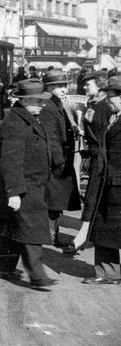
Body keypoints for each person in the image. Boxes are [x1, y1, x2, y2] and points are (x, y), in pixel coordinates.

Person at [0, 79, 57, 289]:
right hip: (23, 187)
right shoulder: (15, 123)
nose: (42, 105)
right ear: (25, 100)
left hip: (33, 184)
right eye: (38, 101)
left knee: (13, 226)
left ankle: (0, 266)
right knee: (31, 232)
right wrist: (14, 193)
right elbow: (11, 161)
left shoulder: (29, 117)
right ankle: (38, 276)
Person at [74, 76, 121, 285]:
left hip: (116, 181)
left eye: (112, 97)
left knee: (109, 227)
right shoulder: (114, 116)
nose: (108, 101)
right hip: (107, 180)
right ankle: (107, 272)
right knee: (103, 227)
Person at [40, 70, 81, 249]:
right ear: (49, 87)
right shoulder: (49, 106)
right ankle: (50, 236)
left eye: (65, 85)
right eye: (60, 86)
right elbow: (51, 137)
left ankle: (52, 235)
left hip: (61, 158)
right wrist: (59, 162)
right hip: (56, 161)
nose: (64, 89)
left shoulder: (56, 102)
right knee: (54, 200)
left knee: (56, 200)